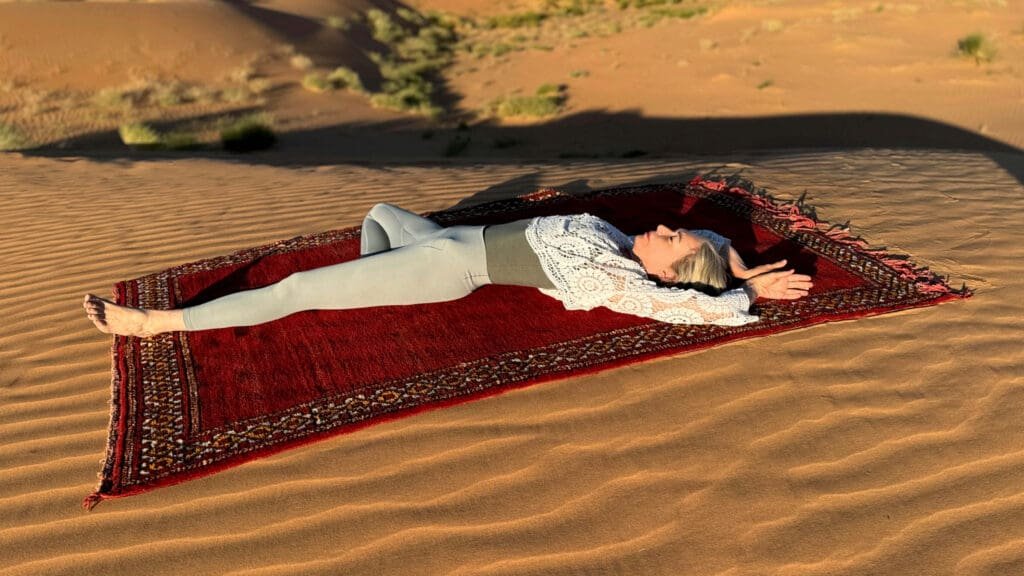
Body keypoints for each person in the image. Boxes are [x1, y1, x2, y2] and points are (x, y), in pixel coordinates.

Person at [82, 203, 812, 338]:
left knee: (297, 291)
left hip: (450, 272)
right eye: (669, 225)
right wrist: (735, 256)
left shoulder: (615, 281)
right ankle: (373, 285)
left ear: (673, 271)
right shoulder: (618, 238)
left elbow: (691, 307)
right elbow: (712, 234)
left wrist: (740, 290)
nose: (662, 227)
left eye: (670, 239)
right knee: (378, 211)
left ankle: (154, 325)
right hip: (437, 240)